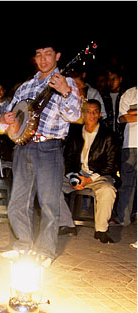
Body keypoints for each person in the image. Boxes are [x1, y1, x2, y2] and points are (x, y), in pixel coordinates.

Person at [0, 42, 82, 267]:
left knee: (48, 203)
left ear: (58, 56)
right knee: (18, 201)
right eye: (39, 55)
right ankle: (22, 244)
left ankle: (45, 250)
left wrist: (65, 92)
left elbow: (74, 116)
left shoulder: (68, 83)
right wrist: (4, 121)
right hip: (23, 147)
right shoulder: (25, 87)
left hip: (49, 148)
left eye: (48, 54)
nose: (43, 59)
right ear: (34, 59)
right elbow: (7, 122)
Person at [58, 99, 118, 244]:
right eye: (88, 112)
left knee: (108, 190)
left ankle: (101, 230)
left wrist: (89, 179)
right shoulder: (75, 133)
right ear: (82, 114)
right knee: (51, 187)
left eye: (95, 112)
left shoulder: (108, 135)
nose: (92, 115)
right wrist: (73, 177)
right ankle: (67, 224)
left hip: (99, 176)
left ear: (100, 114)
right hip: (78, 174)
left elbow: (111, 165)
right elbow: (69, 158)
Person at [112, 86, 137, 229]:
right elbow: (122, 118)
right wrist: (128, 116)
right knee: (127, 185)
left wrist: (132, 113)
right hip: (130, 144)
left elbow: (128, 116)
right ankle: (123, 218)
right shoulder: (129, 93)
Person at [101, 66, 125, 142]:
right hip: (107, 138)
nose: (110, 82)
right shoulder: (103, 97)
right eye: (108, 79)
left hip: (123, 137)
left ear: (120, 79)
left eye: (113, 79)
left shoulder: (126, 95)